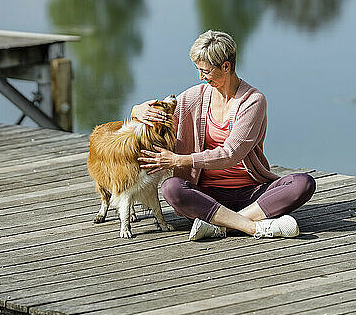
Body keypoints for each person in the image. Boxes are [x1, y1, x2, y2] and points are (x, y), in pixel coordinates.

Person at [134, 30, 315, 241]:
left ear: (226, 67)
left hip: (253, 193)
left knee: (303, 183)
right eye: (198, 70)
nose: (201, 77)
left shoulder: (253, 101)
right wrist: (137, 110)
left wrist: (178, 160)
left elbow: (231, 154)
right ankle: (252, 226)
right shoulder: (194, 97)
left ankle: (221, 226)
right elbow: (161, 119)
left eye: (206, 71)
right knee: (171, 188)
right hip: (208, 194)